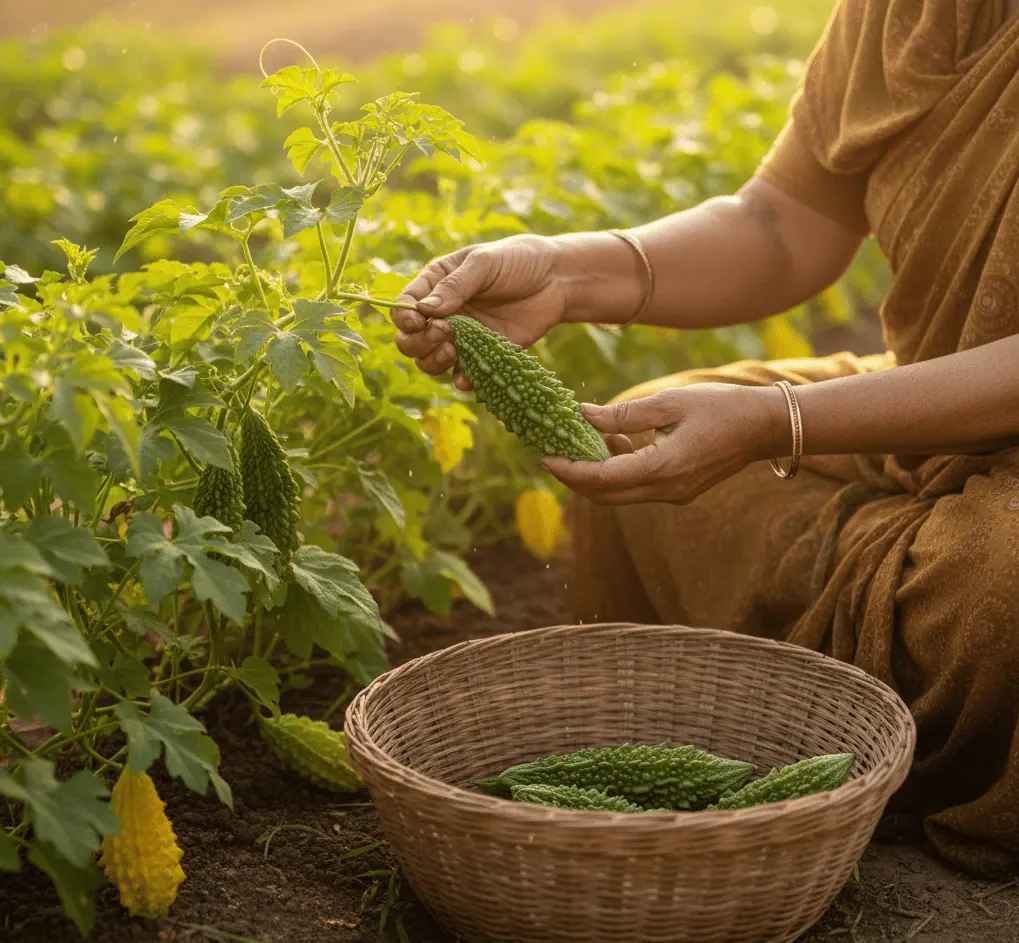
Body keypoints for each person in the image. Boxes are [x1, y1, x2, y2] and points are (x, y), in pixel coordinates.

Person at [392, 0, 1019, 878]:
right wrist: (564, 271)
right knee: (640, 436)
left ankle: (819, 726)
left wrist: (778, 422)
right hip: (930, 399)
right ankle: (798, 730)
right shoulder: (898, 13)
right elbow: (782, 222)